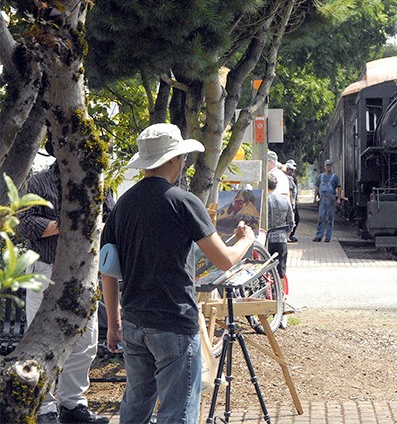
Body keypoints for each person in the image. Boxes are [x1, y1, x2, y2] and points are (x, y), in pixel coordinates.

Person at [101, 123, 255, 424]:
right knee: (177, 411)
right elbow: (223, 261)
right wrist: (245, 240)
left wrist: (113, 322)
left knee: (135, 405)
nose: (183, 162)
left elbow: (108, 269)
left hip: (133, 320)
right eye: (181, 157)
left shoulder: (123, 205)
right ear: (173, 159)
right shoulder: (183, 201)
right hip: (173, 319)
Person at [18, 139, 112, 424]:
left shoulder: (96, 182)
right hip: (46, 270)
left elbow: (111, 219)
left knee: (87, 341)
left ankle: (73, 405)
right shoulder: (39, 182)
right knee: (40, 341)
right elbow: (26, 223)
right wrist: (70, 225)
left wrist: (86, 226)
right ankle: (45, 408)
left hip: (84, 272)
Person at [266, 172, 294, 328]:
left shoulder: (264, 201)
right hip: (282, 239)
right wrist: (286, 234)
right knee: (281, 271)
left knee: (267, 271)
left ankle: (269, 299)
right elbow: (291, 222)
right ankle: (282, 301)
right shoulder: (285, 200)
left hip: (267, 240)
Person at [313, 159, 342, 243]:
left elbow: (339, 187)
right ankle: (319, 236)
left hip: (331, 199)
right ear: (325, 166)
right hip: (322, 199)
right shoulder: (320, 177)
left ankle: (328, 237)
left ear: (331, 166)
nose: (328, 167)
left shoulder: (335, 177)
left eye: (329, 165)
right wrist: (315, 197)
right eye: (327, 165)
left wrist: (339, 198)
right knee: (321, 217)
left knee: (330, 218)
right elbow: (316, 187)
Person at [284, 159, 300, 242]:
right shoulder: (288, 178)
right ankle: (289, 235)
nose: (292, 171)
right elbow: (290, 192)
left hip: (292, 202)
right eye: (291, 169)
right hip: (289, 203)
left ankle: (290, 235)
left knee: (294, 219)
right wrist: (292, 203)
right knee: (292, 220)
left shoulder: (292, 177)